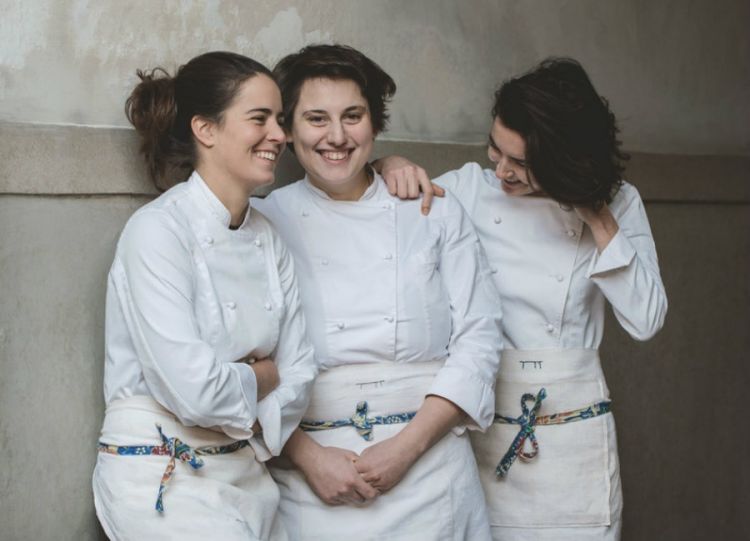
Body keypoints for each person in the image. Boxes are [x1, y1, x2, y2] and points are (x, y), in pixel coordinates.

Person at [376, 57, 668, 540]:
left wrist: (595, 215)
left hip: (573, 443)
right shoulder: (470, 188)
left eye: (524, 164)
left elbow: (646, 319)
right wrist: (389, 164)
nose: (503, 171)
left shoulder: (620, 203)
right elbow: (383, 204)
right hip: (487, 425)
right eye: (496, 150)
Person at [251, 44, 503, 540]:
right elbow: (243, 362)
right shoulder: (265, 223)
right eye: (316, 118)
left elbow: (480, 337)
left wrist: (405, 448)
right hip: (312, 481)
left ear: (375, 120)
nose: (337, 137)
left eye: (353, 116)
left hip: (430, 473)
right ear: (288, 128)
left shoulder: (432, 210)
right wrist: (310, 459)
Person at [91, 51, 318, 540]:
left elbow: (300, 370)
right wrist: (263, 373)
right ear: (206, 130)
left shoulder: (269, 236)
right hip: (161, 479)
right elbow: (194, 391)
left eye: (279, 120)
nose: (280, 135)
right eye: (260, 119)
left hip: (247, 479)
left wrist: (249, 387)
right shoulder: (156, 232)